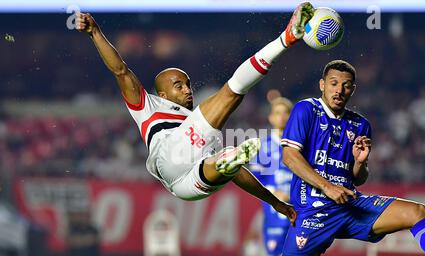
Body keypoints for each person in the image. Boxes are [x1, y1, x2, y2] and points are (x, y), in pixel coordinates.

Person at [75, 2, 317, 224]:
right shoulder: (148, 106)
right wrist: (95, 32)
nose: (187, 89)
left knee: (224, 166)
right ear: (163, 95)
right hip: (169, 158)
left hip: (188, 187)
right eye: (178, 85)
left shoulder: (200, 126)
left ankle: (224, 160)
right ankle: (286, 38)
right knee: (232, 91)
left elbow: (238, 176)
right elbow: (121, 71)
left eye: (188, 84)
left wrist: (275, 202)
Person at [262, 60, 425, 256]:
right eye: (333, 84)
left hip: (350, 205)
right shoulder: (306, 110)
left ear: (353, 90)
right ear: (322, 85)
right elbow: (289, 156)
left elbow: (358, 178)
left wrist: (360, 162)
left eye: (346, 85)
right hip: (313, 211)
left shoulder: (360, 124)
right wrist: (327, 187)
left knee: (417, 212)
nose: (339, 90)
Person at [250, 96, 316, 256]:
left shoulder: (302, 145)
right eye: (277, 112)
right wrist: (273, 192)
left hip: (301, 206)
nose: (281, 117)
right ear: (271, 118)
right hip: (274, 210)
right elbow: (254, 180)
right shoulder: (263, 147)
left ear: (291, 117)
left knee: (305, 254)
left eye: (285, 113)